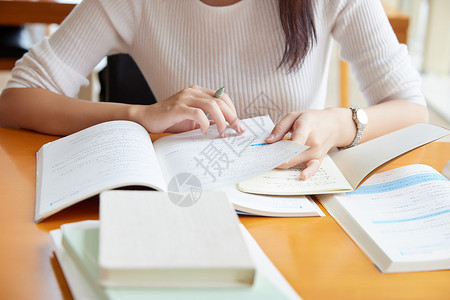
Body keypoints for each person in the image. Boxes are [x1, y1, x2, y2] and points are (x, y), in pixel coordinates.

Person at [0, 0, 428, 180]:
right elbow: (17, 99)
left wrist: (340, 122)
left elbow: (412, 107)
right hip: (187, 198)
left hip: (295, 202)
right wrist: (138, 115)